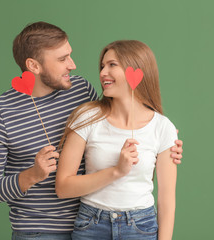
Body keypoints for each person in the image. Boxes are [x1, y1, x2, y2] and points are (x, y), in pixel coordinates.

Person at [0, 22, 183, 240]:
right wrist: (31, 175)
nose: (72, 65)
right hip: (40, 232)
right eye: (62, 59)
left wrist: (162, 140)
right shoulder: (0, 114)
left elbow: (113, 123)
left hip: (87, 223)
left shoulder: (80, 90)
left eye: (69, 55)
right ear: (34, 66)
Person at [56, 40, 178, 240]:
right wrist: (116, 171)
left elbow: (166, 201)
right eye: (102, 66)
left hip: (140, 227)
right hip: (91, 225)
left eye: (112, 65)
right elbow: (63, 187)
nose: (103, 72)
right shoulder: (87, 117)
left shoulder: (163, 128)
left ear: (137, 70)